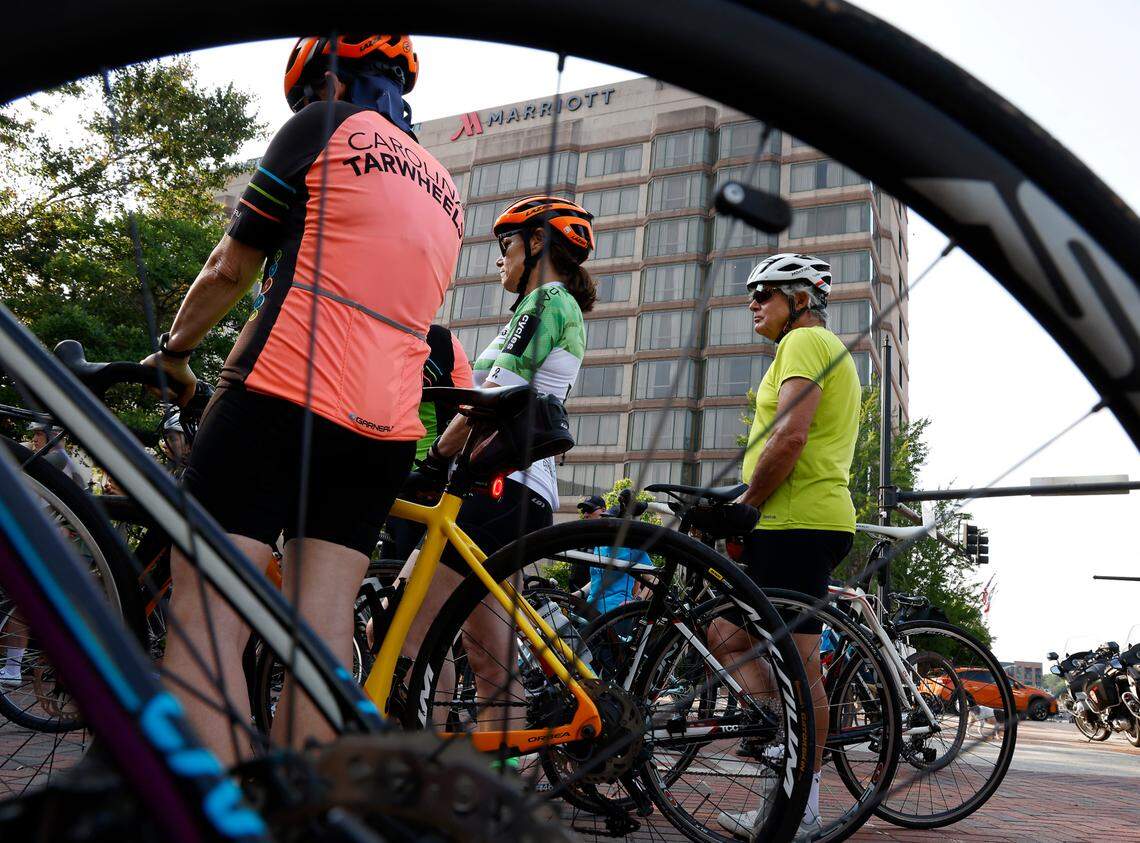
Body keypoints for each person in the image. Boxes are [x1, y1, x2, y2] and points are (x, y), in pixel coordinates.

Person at [143, 34, 462, 765]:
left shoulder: (320, 126)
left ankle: (212, 816)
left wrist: (176, 351)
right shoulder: (444, 187)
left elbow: (232, 264)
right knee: (322, 636)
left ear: (326, 77)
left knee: (206, 617)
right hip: (385, 426)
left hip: (282, 390)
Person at [399, 195, 596, 729]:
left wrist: (436, 459)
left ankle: (417, 768)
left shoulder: (546, 301)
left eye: (506, 245)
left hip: (497, 488)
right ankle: (498, 778)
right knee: (488, 652)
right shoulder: (553, 306)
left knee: (404, 629)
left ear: (537, 244)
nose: (499, 259)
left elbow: (494, 396)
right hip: (522, 491)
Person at [713, 254, 860, 841]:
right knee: (727, 634)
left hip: (796, 520)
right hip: (789, 520)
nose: (753, 304)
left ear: (800, 299)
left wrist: (748, 503)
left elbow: (791, 434)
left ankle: (802, 805)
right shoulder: (812, 347)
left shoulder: (803, 344)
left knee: (799, 665)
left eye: (764, 295)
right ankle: (786, 745)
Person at [381, 323, 473, 561]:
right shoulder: (395, 338)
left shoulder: (435, 337)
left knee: (406, 574)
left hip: (429, 475)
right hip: (399, 473)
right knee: (387, 571)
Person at [28, 423, 87, 487]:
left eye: (39, 434)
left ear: (53, 436)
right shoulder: (61, 455)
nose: (34, 439)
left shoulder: (57, 457)